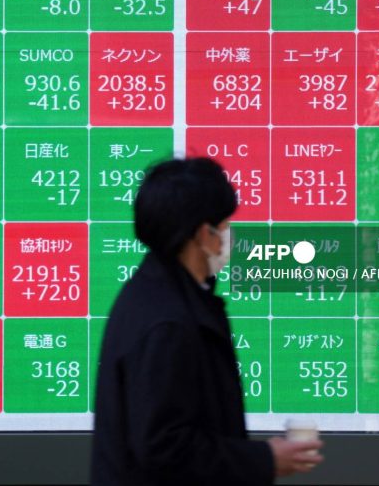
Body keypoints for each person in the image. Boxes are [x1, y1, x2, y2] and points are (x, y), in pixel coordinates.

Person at [91, 157, 323, 485]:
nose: (228, 235)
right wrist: (263, 459)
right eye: (225, 224)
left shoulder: (164, 297)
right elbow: (165, 449)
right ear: (203, 233)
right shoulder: (166, 322)